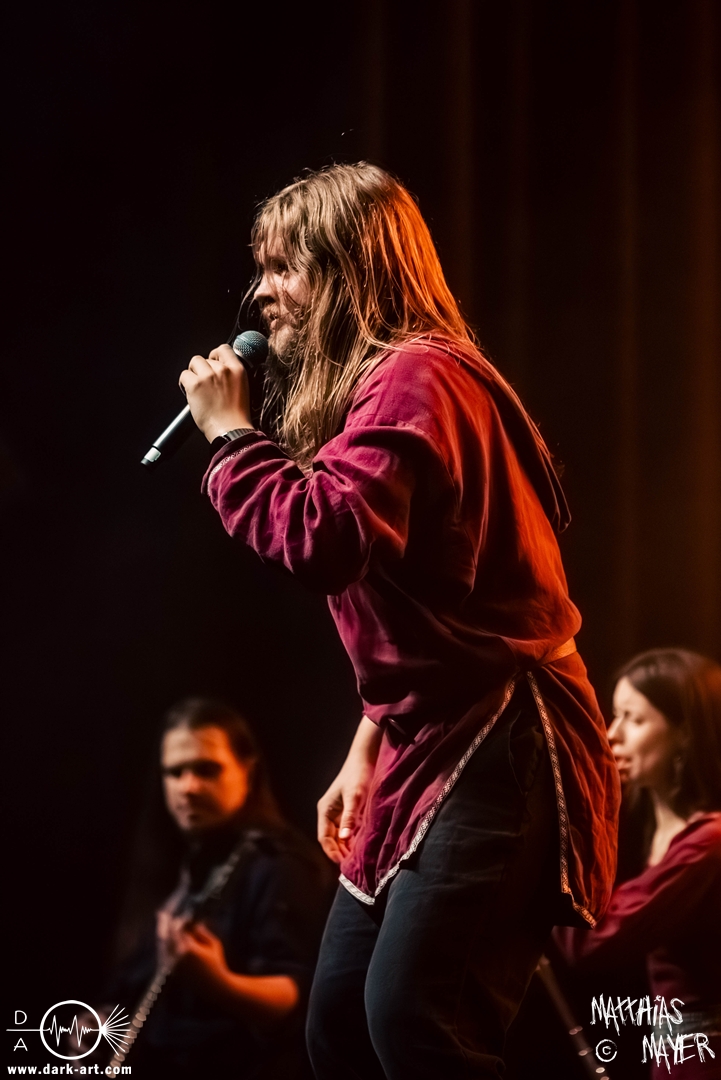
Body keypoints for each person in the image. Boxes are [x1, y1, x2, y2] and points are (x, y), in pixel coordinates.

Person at [178, 162, 620, 1079]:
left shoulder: (416, 376)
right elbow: (434, 600)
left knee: (418, 1021)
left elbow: (326, 537)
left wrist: (230, 437)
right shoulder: (392, 386)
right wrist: (366, 745)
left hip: (505, 736)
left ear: (349, 270)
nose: (261, 294)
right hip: (429, 736)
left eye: (284, 267)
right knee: (340, 1023)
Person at [105, 698, 330, 1079]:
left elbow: (299, 999)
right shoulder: (182, 869)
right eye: (174, 772)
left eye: (206, 770)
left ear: (248, 771)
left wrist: (219, 983)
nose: (188, 787)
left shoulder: (280, 865)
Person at [555, 649, 721, 1079]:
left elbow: (589, 940)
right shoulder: (656, 829)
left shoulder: (709, 844)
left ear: (684, 733)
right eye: (616, 715)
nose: (613, 734)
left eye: (635, 719)